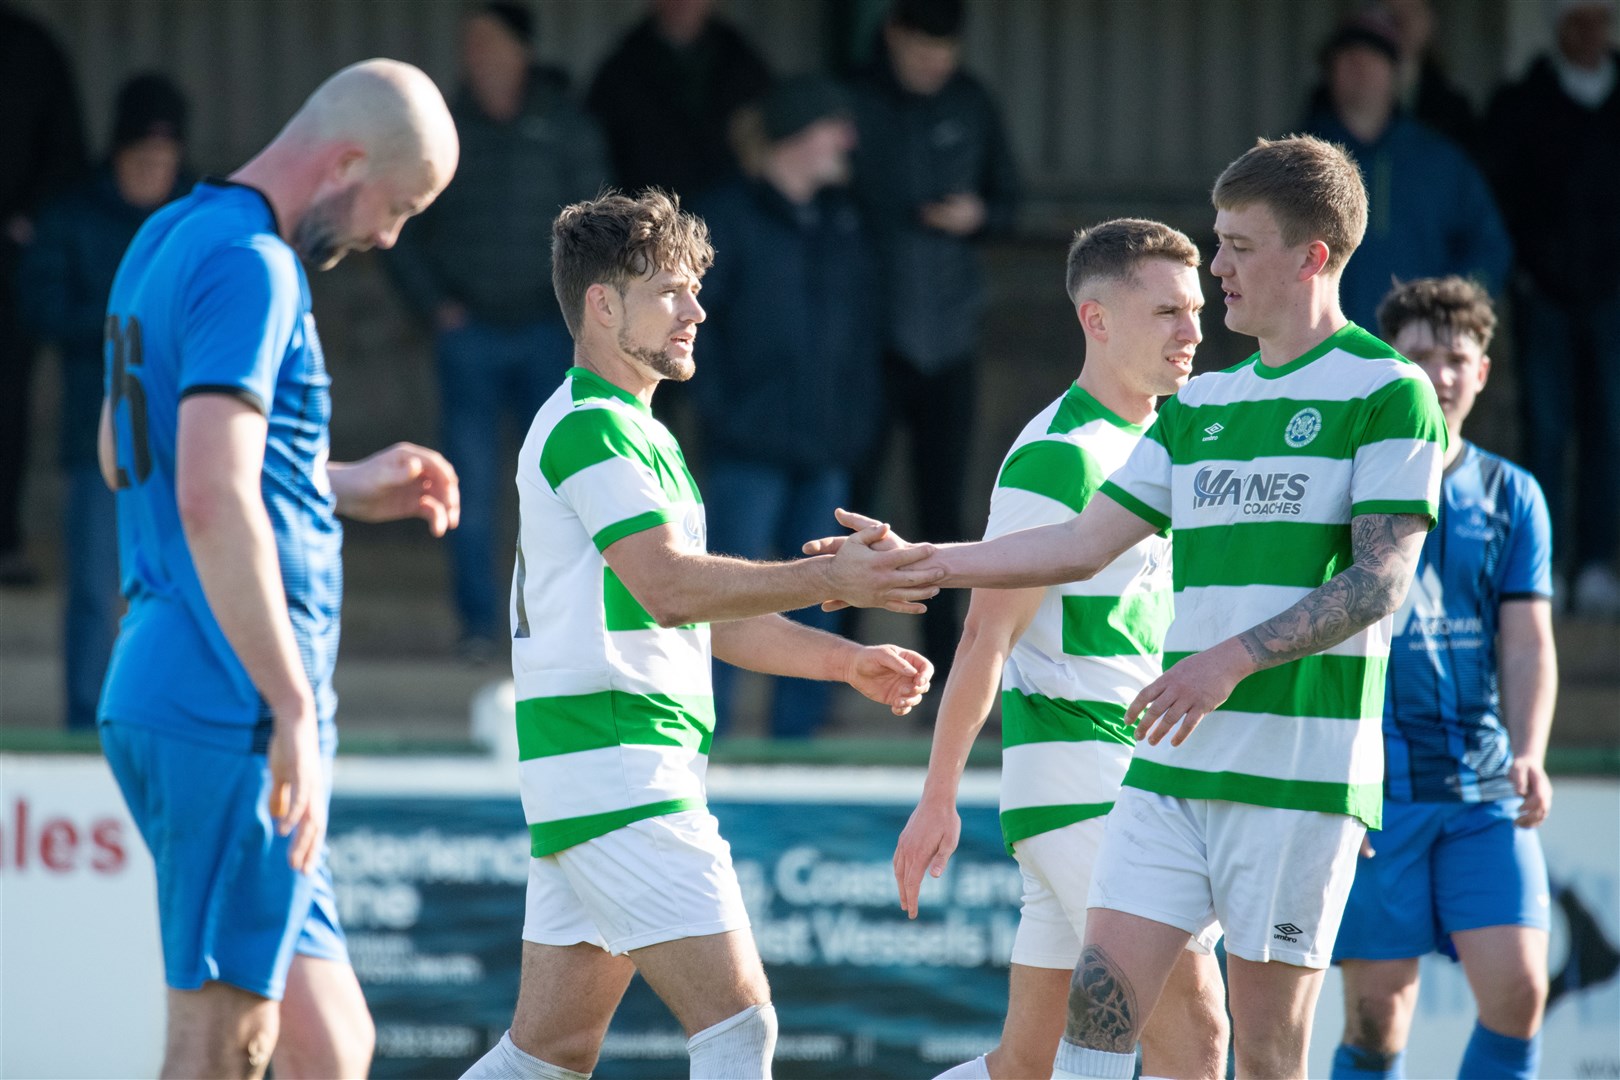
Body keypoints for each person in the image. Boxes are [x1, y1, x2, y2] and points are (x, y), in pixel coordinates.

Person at [813, 135, 1448, 1077]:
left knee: (1260, 1054)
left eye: (1236, 245)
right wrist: (924, 560)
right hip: (1152, 770)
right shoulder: (1202, 407)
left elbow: (1380, 580)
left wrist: (1227, 660)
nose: (1220, 265)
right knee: (1110, 1025)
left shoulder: (1389, 392)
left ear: (1311, 256)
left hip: (1297, 776)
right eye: (1214, 246)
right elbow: (1075, 544)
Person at [459, 190, 937, 1080]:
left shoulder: (630, 430)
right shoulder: (594, 425)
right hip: (619, 766)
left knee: (547, 1053)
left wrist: (845, 659)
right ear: (603, 305)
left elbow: (698, 614)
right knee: (737, 1026)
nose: (698, 310)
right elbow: (672, 588)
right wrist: (833, 578)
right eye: (672, 290)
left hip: (601, 768)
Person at [97, 59, 461, 1078]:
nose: (390, 236)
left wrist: (330, 481)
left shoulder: (166, 236)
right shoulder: (255, 263)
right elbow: (208, 496)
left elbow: (126, 453)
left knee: (330, 1049)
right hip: (233, 701)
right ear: (348, 161)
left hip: (184, 676)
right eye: (399, 204)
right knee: (222, 1046)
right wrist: (293, 709)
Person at [890, 219, 1228, 1080]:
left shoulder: (1169, 443)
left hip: (1122, 784)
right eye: (1167, 312)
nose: (1193, 331)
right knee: (1194, 1039)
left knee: (1025, 1065)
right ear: (1097, 319)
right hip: (1084, 784)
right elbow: (983, 634)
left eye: (1195, 309)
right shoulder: (1059, 456)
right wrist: (937, 799)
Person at [1331, 277, 1557, 1080]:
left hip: (1481, 784)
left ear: (1483, 373)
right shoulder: (1346, 478)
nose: (1439, 373)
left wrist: (1528, 750)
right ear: (1391, 364)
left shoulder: (1513, 494)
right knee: (1378, 1018)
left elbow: (1528, 644)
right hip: (1374, 791)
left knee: (1521, 992)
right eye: (1420, 355)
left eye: (1457, 357)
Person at [387, 2, 610, 659]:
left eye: (489, 44)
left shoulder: (565, 127)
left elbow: (602, 226)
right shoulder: (442, 128)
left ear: (521, 51)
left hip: (550, 333)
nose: (477, 58)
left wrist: (576, 313)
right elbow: (402, 228)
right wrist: (435, 306)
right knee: (470, 490)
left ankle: (559, 622)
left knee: (566, 485)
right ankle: (481, 628)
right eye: (468, 46)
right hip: (470, 333)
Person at [692, 76, 883, 738]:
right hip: (747, 447)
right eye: (835, 125)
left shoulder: (842, 219)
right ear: (798, 136)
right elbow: (698, 332)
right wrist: (722, 415)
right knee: (722, 597)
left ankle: (797, 744)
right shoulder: (726, 218)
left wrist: (856, 422)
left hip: (826, 447)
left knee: (826, 595)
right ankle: (698, 736)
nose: (849, 141)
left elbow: (863, 335)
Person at [847, 0, 1020, 695]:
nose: (933, 62)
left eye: (944, 49)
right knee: (854, 504)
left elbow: (1010, 202)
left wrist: (980, 216)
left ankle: (946, 672)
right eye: (922, 46)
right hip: (868, 337)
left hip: (949, 337)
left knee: (944, 510)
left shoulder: (973, 101)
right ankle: (840, 662)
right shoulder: (857, 100)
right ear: (894, 36)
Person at [18, 72, 190, 732]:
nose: (153, 171)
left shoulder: (195, 216)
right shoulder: (73, 216)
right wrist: (128, 322)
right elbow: (41, 307)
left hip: (186, 434)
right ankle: (86, 725)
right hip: (98, 433)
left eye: (164, 160)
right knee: (96, 589)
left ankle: (166, 724)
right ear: (116, 153)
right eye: (141, 159)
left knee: (184, 587)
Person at [1484, 0, 1620, 617]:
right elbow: (1501, 199)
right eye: (1577, 18)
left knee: (1610, 430)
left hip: (1613, 300)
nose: (1588, 31)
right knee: (1546, 430)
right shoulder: (1521, 104)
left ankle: (1595, 564)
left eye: (1600, 17)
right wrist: (1528, 274)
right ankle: (1546, 564)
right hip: (1544, 298)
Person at [1302, 7, 1510, 337]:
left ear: (1396, 72)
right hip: (1319, 350)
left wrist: (1447, 311)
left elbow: (1490, 246)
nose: (1357, 66)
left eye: (1372, 55)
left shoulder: (1440, 160)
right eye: (1344, 56)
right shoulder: (1296, 160)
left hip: (1417, 352)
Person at [0, 3, 87, 584]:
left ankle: (3, 540)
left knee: (6, 399)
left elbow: (67, 154)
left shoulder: (29, 48)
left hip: (11, 262)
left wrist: (30, 219)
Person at [585, 0, 772, 200]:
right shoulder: (620, 71)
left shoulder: (744, 64)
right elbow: (595, 158)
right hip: (647, 215)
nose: (683, 3)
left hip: (731, 212)